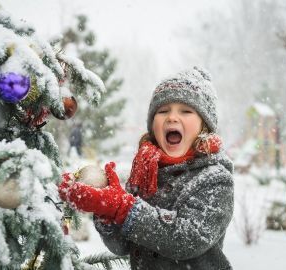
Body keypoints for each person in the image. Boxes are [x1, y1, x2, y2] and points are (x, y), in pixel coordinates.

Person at [59, 67, 234, 270]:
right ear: (153, 124)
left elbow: (187, 239)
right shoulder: (146, 172)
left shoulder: (215, 177)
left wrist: (124, 207)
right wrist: (106, 211)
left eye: (186, 111)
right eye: (163, 111)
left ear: (204, 125)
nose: (172, 118)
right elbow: (122, 246)